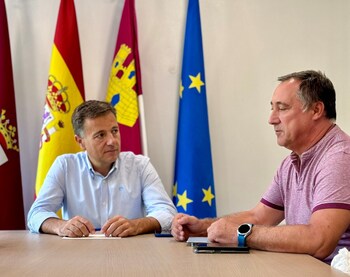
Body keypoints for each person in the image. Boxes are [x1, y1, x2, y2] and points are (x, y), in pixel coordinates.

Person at [171, 70, 350, 264]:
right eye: (272, 108)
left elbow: (319, 240)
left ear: (316, 110)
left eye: (282, 108)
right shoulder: (290, 164)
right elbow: (259, 216)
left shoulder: (340, 158)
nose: (271, 119)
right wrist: (203, 227)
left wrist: (241, 234)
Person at [28, 100, 176, 237]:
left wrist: (137, 225)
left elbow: (167, 213)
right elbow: (36, 214)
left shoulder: (140, 166)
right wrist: (62, 226)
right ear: (80, 142)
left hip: (130, 252)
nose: (112, 141)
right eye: (100, 135)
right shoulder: (66, 166)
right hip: (78, 254)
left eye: (114, 131)